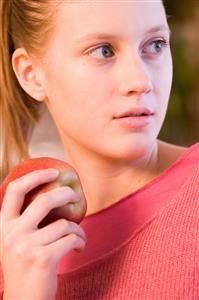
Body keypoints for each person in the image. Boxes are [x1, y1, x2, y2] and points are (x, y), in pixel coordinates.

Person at [0, 0, 198, 299]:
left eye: (155, 44)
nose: (141, 81)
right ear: (31, 74)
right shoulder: (13, 241)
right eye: (103, 51)